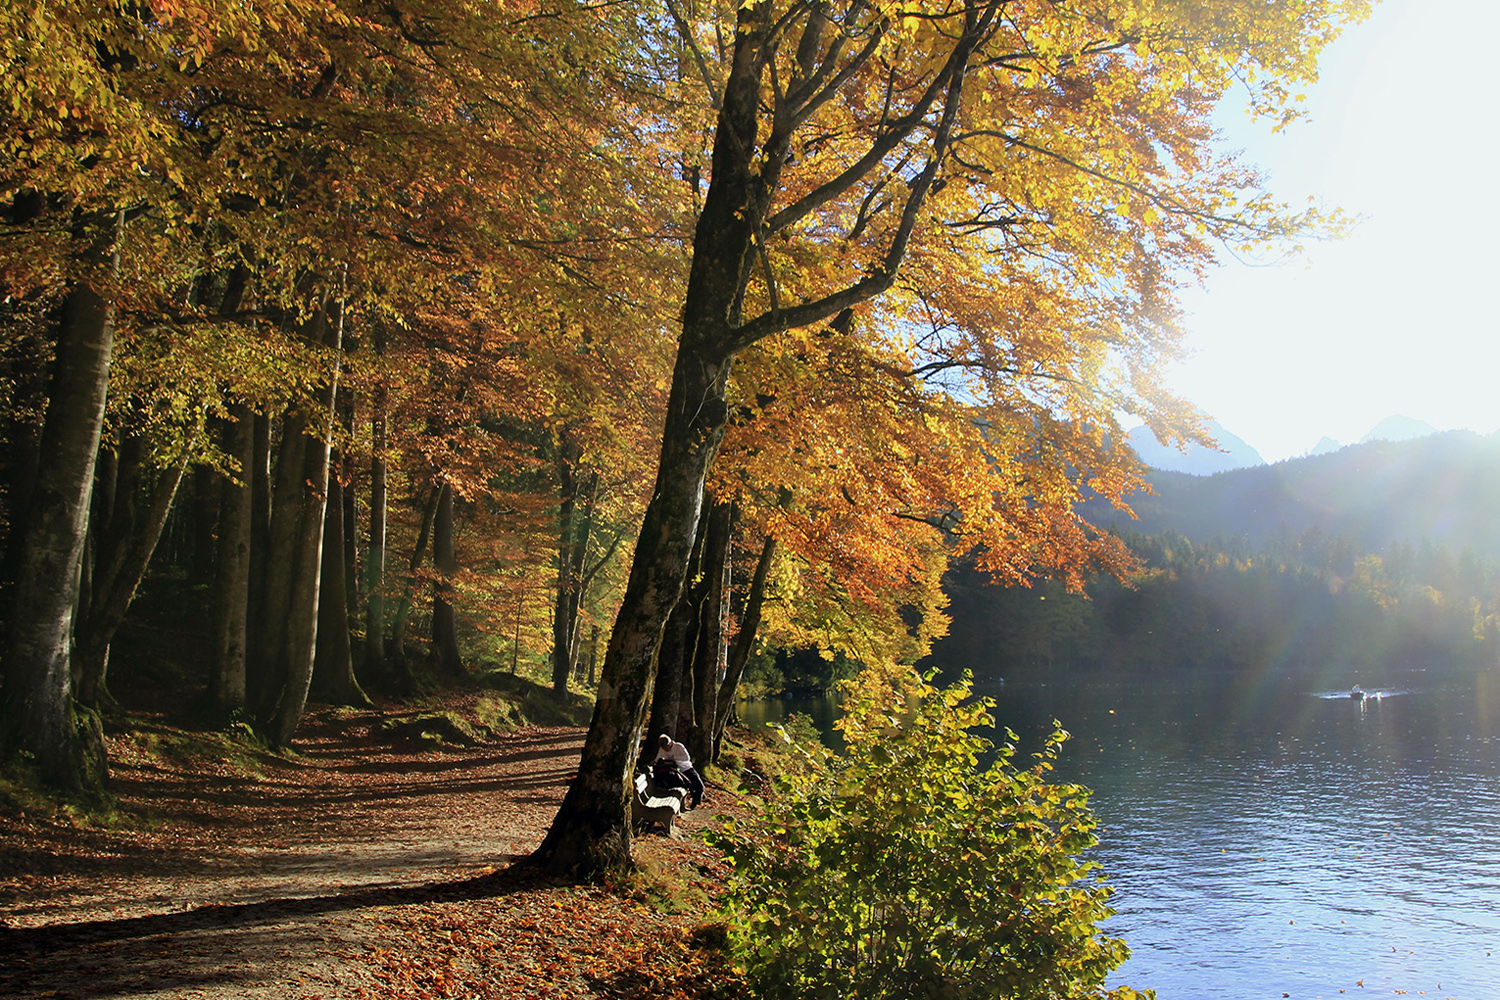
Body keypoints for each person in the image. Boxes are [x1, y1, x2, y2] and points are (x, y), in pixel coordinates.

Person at [652, 733, 706, 809]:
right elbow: (658, 758)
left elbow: (686, 758)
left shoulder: (678, 746)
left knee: (699, 785)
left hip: (685, 768)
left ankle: (695, 802)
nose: (665, 749)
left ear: (670, 743)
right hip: (674, 770)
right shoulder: (661, 750)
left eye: (666, 747)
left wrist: (674, 758)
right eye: (663, 747)